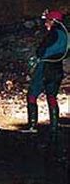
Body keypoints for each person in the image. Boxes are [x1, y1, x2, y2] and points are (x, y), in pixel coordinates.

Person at [23, 10, 67, 147]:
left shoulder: (54, 33)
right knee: (52, 96)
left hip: (45, 66)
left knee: (32, 95)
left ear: (53, 21)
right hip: (57, 68)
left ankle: (32, 126)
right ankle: (53, 128)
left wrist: (38, 55)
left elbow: (41, 50)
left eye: (47, 20)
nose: (45, 23)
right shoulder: (65, 34)